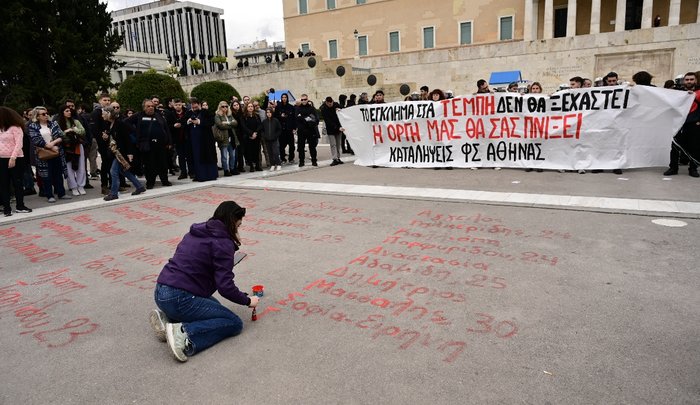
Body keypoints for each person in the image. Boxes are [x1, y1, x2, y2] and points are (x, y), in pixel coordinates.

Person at [150, 201, 258, 362]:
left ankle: (167, 319)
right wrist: (248, 300)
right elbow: (225, 287)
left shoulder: (197, 231)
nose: (238, 228)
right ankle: (183, 333)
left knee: (215, 309)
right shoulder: (223, 243)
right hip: (180, 297)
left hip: (162, 291)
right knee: (232, 322)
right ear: (232, 222)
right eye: (239, 224)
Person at [126, 99, 174, 188]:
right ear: (144, 108)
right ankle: (150, 182)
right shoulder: (139, 115)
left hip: (160, 145)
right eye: (148, 106)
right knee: (149, 165)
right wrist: (136, 132)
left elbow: (166, 129)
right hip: (147, 145)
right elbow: (126, 122)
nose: (151, 108)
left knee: (163, 164)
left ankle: (165, 181)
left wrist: (169, 141)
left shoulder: (158, 116)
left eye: (152, 106)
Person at [101, 106, 146, 201]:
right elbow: (115, 138)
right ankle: (139, 186)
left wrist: (130, 153)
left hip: (122, 152)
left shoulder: (120, 124)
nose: (102, 115)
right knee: (124, 171)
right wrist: (106, 137)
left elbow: (127, 139)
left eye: (103, 113)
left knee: (113, 172)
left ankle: (114, 193)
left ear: (109, 114)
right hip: (117, 152)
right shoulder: (110, 124)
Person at [28, 107, 70, 203]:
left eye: (47, 113)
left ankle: (61, 193)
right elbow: (36, 140)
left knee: (58, 174)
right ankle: (49, 195)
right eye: (43, 114)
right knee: (46, 176)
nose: (46, 115)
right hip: (44, 154)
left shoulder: (53, 124)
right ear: (37, 116)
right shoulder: (33, 126)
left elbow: (61, 135)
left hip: (57, 152)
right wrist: (50, 147)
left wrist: (53, 143)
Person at [663, 72, 700, 178]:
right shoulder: (677, 92)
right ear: (684, 81)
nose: (689, 81)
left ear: (695, 81)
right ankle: (673, 168)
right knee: (674, 147)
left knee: (695, 147)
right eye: (687, 79)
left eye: (691, 79)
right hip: (679, 124)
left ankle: (693, 169)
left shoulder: (699, 93)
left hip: (693, 124)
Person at [0, 107, 32, 216]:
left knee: (17, 183)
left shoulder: (16, 128)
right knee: (3, 184)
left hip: (16, 158)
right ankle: (7, 209)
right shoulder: (0, 128)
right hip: (1, 159)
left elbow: (19, 144)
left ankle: (20, 206)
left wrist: (13, 158)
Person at [56, 103, 87, 196]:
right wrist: (66, 131)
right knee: (69, 168)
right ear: (62, 112)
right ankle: (73, 186)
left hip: (77, 146)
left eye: (70, 110)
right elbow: (58, 134)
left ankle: (81, 185)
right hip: (66, 147)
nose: (69, 112)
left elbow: (83, 131)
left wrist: (73, 130)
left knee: (81, 166)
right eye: (67, 111)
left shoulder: (76, 121)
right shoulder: (57, 123)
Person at [187, 98, 219, 182]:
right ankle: (199, 175)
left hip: (206, 139)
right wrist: (189, 121)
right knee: (197, 157)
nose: (193, 107)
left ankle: (209, 175)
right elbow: (184, 123)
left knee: (207, 155)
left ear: (199, 104)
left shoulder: (205, 112)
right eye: (192, 105)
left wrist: (199, 122)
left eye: (195, 104)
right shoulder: (190, 113)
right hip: (195, 140)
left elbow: (211, 122)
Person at [213, 101, 238, 176]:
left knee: (232, 155)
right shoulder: (217, 115)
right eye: (223, 106)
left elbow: (236, 123)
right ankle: (226, 170)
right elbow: (220, 125)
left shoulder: (230, 115)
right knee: (224, 156)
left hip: (232, 137)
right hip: (223, 138)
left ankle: (232, 168)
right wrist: (231, 123)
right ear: (220, 107)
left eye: (226, 106)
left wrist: (227, 123)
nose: (225, 108)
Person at [295, 94, 320, 167]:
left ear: (307, 99)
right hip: (301, 131)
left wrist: (303, 118)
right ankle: (301, 162)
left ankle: (314, 161)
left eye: (305, 99)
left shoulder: (312, 108)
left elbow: (315, 119)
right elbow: (297, 119)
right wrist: (307, 118)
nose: (303, 101)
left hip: (311, 130)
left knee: (312, 147)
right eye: (302, 100)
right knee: (301, 147)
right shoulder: (298, 108)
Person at [320, 96, 344, 166]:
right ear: (326, 103)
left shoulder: (336, 105)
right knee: (333, 144)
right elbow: (328, 121)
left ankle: (338, 158)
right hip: (331, 129)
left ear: (333, 101)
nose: (330, 105)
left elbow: (343, 109)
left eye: (331, 103)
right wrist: (337, 128)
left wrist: (340, 109)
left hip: (338, 128)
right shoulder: (324, 109)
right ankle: (334, 158)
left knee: (338, 144)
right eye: (329, 104)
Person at [274, 93, 296, 165]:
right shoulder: (278, 107)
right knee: (281, 146)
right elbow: (276, 118)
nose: (284, 99)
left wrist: (294, 128)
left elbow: (293, 118)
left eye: (285, 97)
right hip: (281, 130)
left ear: (287, 98)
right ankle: (283, 159)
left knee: (292, 146)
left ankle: (291, 158)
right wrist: (281, 116)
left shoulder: (291, 107)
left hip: (289, 129)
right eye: (283, 97)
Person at [240, 102, 263, 171]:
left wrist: (255, 133)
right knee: (249, 152)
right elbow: (244, 127)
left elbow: (260, 125)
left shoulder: (256, 116)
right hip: (248, 137)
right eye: (249, 106)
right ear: (246, 108)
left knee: (256, 151)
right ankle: (251, 166)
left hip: (256, 136)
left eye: (251, 106)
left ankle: (257, 165)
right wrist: (251, 134)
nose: (250, 108)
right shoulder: (243, 117)